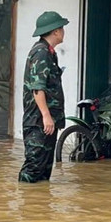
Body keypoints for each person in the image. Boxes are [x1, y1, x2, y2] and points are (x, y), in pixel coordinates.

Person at [18, 11, 69, 183]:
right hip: (38, 121)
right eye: (62, 28)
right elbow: (37, 89)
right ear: (55, 31)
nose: (63, 31)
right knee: (34, 167)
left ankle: (39, 207)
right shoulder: (41, 53)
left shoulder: (49, 52)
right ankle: (25, 203)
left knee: (45, 169)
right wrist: (46, 116)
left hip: (46, 122)